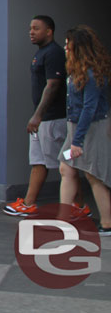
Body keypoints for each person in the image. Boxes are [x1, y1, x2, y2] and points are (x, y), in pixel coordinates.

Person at [4, 15, 71, 217]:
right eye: (30, 28)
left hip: (52, 119)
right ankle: (29, 203)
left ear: (49, 31)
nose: (31, 32)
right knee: (38, 161)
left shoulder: (54, 53)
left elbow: (53, 85)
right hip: (42, 119)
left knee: (65, 166)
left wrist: (37, 116)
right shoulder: (41, 53)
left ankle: (77, 206)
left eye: (36, 28)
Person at [58, 26, 111, 236]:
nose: (65, 47)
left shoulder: (90, 73)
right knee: (66, 168)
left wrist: (77, 141)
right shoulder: (77, 70)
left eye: (68, 44)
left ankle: (107, 223)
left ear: (77, 47)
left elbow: (90, 108)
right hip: (76, 128)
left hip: (88, 130)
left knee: (93, 175)